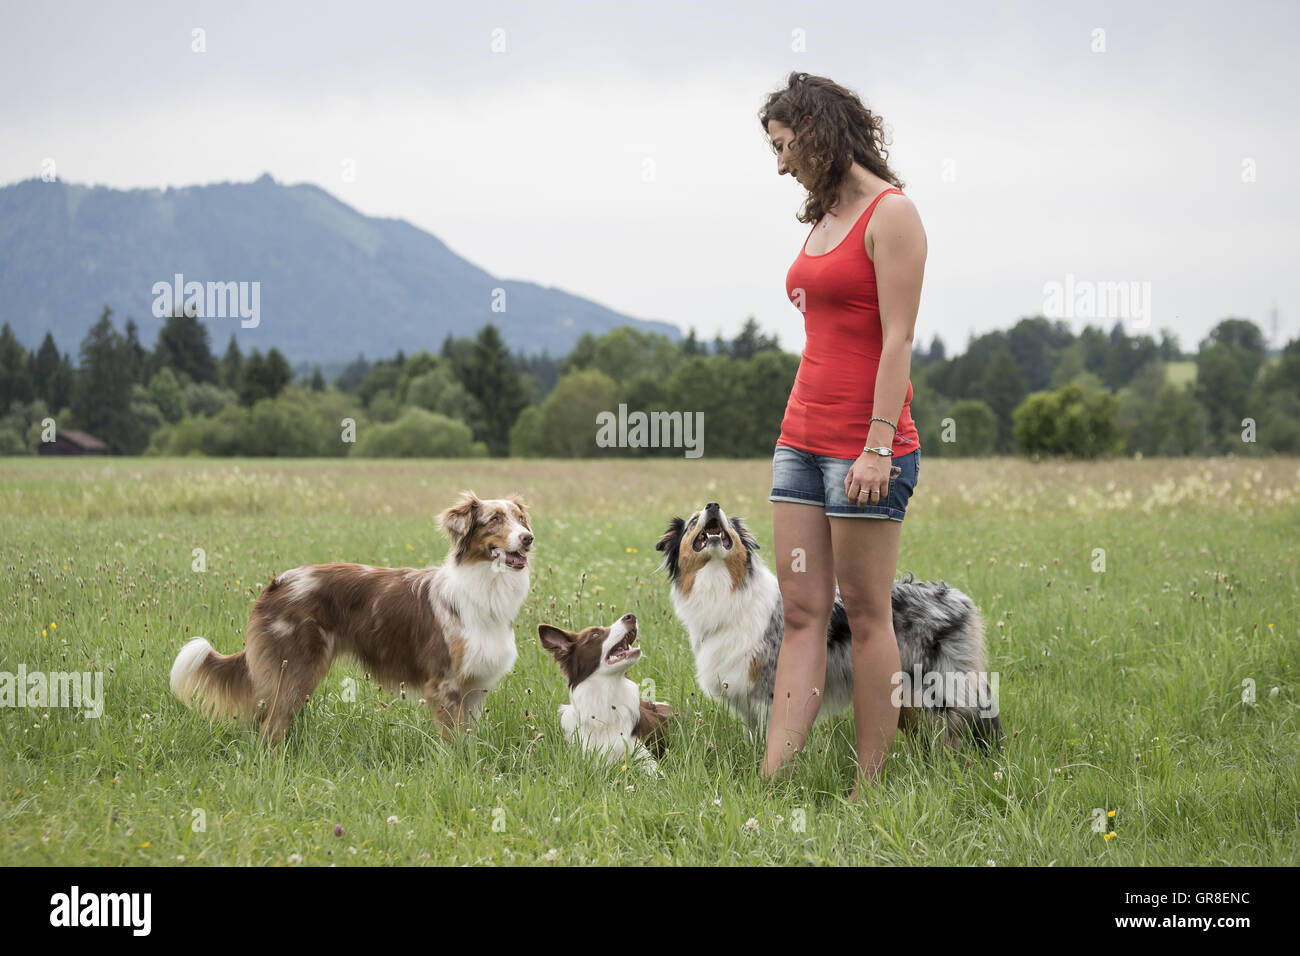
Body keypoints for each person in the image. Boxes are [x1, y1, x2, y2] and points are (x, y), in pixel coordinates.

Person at [758, 72, 926, 797]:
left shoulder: (892, 215)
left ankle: (870, 786)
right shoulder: (821, 217)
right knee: (799, 614)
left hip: (866, 449)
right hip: (799, 441)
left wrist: (878, 446)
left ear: (817, 130)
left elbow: (898, 341)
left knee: (864, 615)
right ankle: (773, 780)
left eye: (784, 145)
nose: (779, 163)